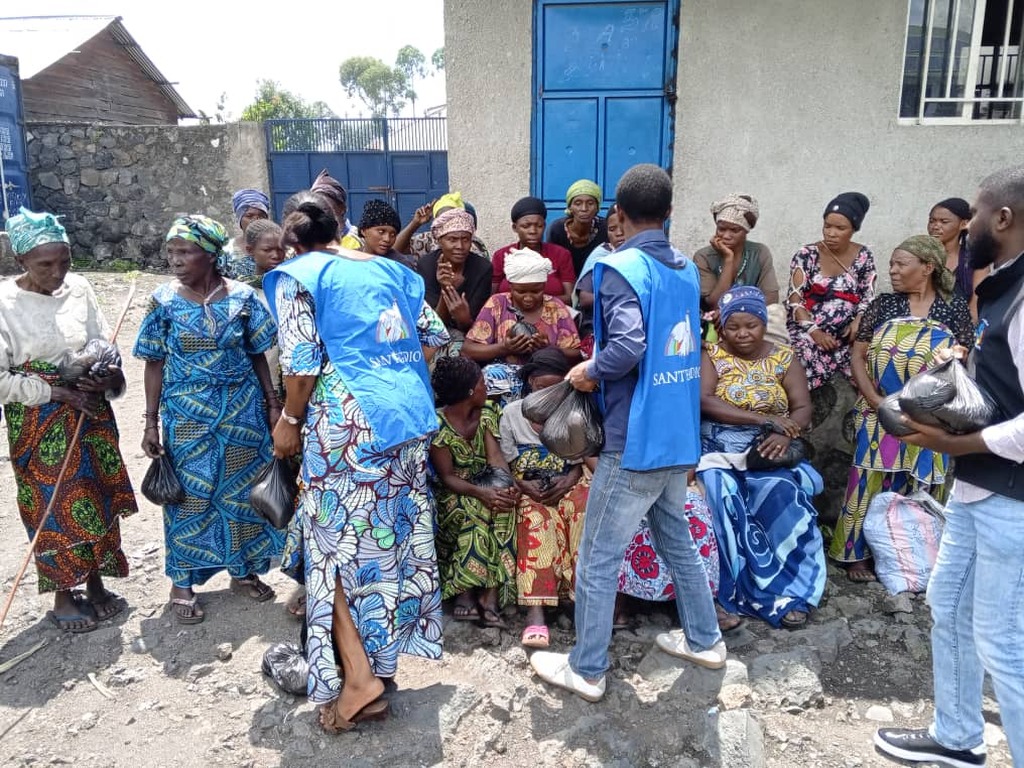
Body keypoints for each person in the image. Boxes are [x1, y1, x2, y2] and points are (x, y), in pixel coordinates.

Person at [530, 164, 724, 703]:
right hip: (675, 433)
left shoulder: (620, 269)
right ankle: (705, 640)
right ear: (668, 213)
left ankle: (587, 668)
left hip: (632, 438)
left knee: (596, 558)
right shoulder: (686, 269)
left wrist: (586, 371)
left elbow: (626, 348)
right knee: (675, 539)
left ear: (618, 212)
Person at [264, 199, 447, 734]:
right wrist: (396, 376)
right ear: (341, 235)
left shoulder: (299, 275)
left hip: (345, 426)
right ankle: (379, 668)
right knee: (387, 545)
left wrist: (291, 422)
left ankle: (360, 682)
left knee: (332, 553)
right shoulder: (393, 270)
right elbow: (434, 337)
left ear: (296, 245)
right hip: (406, 418)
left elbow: (300, 364)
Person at [875, 165, 1024, 767]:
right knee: (948, 609)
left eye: (979, 213)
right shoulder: (998, 288)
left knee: (1002, 640)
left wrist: (960, 445)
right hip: (975, 494)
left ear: (1003, 219)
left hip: (1010, 499)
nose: (969, 224)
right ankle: (959, 736)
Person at [134, 215, 283, 625]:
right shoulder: (163, 301)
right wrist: (150, 421)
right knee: (190, 496)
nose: (176, 260)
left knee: (240, 492)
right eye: (172, 252)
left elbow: (258, 353)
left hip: (242, 412)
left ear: (211, 255)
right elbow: (154, 362)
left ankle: (241, 569)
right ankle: (182, 580)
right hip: (188, 416)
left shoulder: (243, 299)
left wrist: (272, 403)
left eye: (185, 252)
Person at [0, 209, 136, 633]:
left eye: (65, 262)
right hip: (39, 421)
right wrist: (55, 392)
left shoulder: (79, 288)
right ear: (21, 260)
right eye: (45, 264)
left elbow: (99, 340)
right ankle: (63, 595)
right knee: (52, 503)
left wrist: (105, 372)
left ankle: (95, 583)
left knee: (96, 493)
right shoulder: (4, 304)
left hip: (91, 412)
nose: (58, 273)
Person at [836, 236, 974, 581]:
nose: (893, 270)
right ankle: (857, 555)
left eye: (901, 263)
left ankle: (920, 554)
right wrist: (875, 399)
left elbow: (963, 355)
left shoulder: (952, 308)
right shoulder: (883, 305)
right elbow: (858, 355)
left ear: (927, 268)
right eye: (892, 264)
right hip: (879, 407)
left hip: (931, 413)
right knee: (868, 477)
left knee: (925, 481)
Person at [697, 286, 825, 628]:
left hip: (769, 450)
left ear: (763, 323)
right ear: (721, 327)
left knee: (784, 493)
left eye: (751, 325)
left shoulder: (783, 356)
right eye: (734, 326)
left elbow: (802, 408)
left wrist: (784, 433)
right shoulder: (711, 354)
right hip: (718, 450)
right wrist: (763, 419)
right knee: (717, 492)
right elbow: (705, 400)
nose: (742, 333)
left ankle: (788, 591)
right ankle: (729, 593)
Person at [499, 349, 590, 648]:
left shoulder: (576, 410)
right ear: (531, 383)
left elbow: (581, 460)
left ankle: (582, 603)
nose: (549, 393)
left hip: (566, 481)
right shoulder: (512, 413)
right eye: (541, 387)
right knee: (535, 519)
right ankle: (536, 611)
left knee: (581, 511)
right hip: (529, 485)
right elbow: (505, 464)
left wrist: (568, 480)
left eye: (556, 386)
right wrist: (525, 486)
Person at [430, 356, 519, 629]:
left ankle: (489, 596)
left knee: (506, 510)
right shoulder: (438, 424)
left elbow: (495, 459)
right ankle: (465, 591)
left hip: (487, 481)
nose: (487, 386)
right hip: (456, 490)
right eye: (482, 382)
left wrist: (506, 487)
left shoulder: (489, 413)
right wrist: (481, 494)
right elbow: (448, 477)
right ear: (470, 391)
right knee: (472, 512)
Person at [787, 192, 876, 391]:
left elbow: (868, 295)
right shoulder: (806, 255)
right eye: (827, 226)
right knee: (800, 354)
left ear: (853, 229)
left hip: (847, 334)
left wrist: (859, 320)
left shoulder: (863, 256)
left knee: (867, 359)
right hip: (808, 331)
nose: (831, 233)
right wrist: (815, 333)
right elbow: (794, 300)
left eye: (840, 228)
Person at [465, 248, 582, 366]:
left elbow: (577, 354)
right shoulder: (497, 304)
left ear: (544, 286)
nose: (528, 298)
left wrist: (548, 349)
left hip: (545, 379)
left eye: (536, 291)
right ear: (511, 287)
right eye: (521, 292)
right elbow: (468, 350)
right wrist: (504, 348)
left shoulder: (555, 307)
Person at [416, 207, 493, 356]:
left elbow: (479, 327)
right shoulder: (427, 265)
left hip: (470, 337)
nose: (460, 246)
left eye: (465, 239)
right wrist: (446, 287)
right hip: (435, 333)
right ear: (440, 240)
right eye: (452, 240)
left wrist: (464, 319)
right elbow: (433, 327)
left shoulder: (482, 268)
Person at [693, 194, 780, 310]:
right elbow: (714, 304)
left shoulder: (759, 253)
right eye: (721, 229)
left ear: (746, 231)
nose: (726, 236)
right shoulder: (703, 257)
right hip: (715, 322)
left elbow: (771, 299)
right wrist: (728, 259)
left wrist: (737, 311)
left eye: (734, 230)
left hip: (751, 318)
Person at [491, 197, 576, 303]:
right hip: (509, 316)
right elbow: (492, 298)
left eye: (539, 226)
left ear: (544, 226)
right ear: (514, 227)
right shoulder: (502, 256)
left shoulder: (561, 254)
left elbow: (570, 298)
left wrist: (536, 303)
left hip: (553, 315)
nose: (533, 231)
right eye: (526, 226)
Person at [929, 196, 985, 320]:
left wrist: (964, 334)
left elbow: (976, 306)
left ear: (964, 224)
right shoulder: (920, 257)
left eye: (944, 221)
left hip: (961, 329)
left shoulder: (976, 261)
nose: (935, 226)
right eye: (932, 221)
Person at [397, 192, 490, 264]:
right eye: (442, 219)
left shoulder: (470, 245)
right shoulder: (428, 239)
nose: (446, 222)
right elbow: (395, 249)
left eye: (451, 217)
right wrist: (415, 223)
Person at [547, 179, 609, 277]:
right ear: (570, 207)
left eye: (590, 203)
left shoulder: (606, 228)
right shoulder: (557, 230)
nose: (584, 209)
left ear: (597, 207)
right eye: (578, 203)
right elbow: (551, 267)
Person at [222, 188, 271, 279]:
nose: (256, 220)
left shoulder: (280, 250)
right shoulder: (227, 251)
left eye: (261, 216)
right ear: (239, 218)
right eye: (249, 216)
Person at [310, 169, 361, 249]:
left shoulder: (358, 239)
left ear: (342, 209)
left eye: (326, 209)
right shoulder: (307, 240)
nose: (320, 214)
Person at [358, 199, 415, 268]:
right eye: (381, 232)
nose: (387, 239)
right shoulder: (350, 259)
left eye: (393, 234)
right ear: (363, 230)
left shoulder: (400, 265)